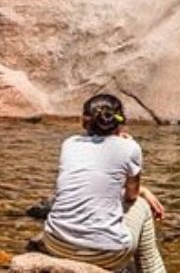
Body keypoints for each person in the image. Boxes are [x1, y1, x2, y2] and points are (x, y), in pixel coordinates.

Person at [38, 93, 167, 273]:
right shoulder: (130, 147)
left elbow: (98, 182)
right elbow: (131, 196)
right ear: (120, 123)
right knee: (142, 207)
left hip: (56, 243)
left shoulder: (69, 144)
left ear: (84, 121)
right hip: (107, 254)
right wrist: (143, 191)